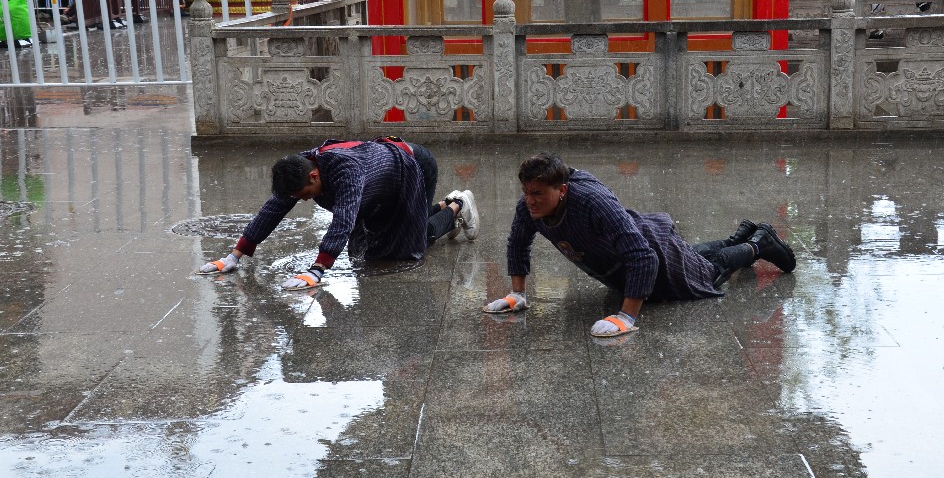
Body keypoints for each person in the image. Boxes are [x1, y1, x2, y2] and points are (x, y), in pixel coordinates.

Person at [483, 153, 795, 337]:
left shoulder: (591, 201)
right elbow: (518, 242)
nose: (530, 200)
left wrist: (626, 317)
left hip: (652, 249)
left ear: (562, 189)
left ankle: (758, 243)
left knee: (710, 271)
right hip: (633, 251)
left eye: (538, 193)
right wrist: (517, 294)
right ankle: (735, 237)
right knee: (693, 257)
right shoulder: (529, 207)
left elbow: (643, 257)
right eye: (526, 191)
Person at [197, 137, 479, 289]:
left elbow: (344, 218)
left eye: (306, 196)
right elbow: (274, 208)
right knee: (371, 245)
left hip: (414, 167)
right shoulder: (300, 168)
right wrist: (235, 255)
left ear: (315, 176)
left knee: (411, 243)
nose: (305, 201)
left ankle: (458, 206)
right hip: (382, 185)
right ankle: (444, 204)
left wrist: (318, 269)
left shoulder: (346, 170)